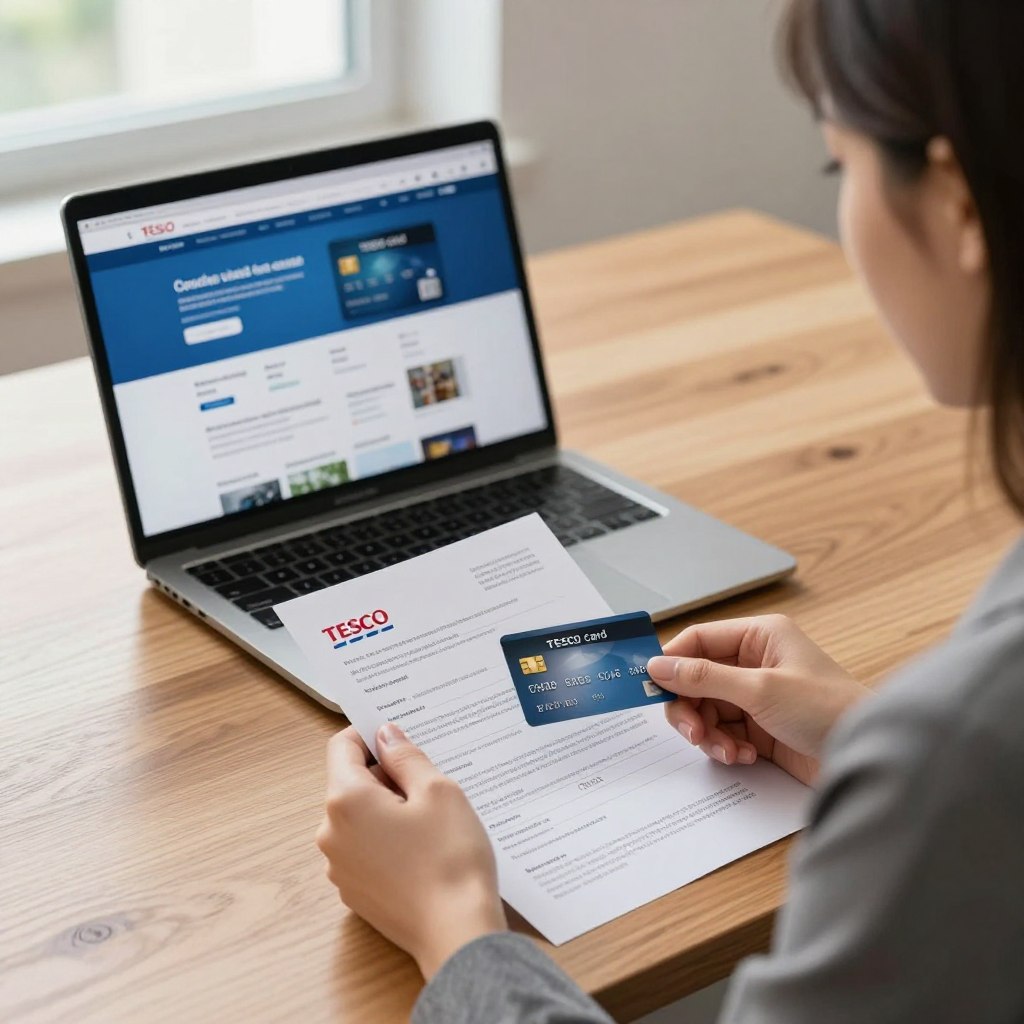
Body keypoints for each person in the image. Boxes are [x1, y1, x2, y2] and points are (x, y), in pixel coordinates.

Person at [314, 0, 1024, 1020]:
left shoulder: (956, 757)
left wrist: (452, 923)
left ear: (955, 205)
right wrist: (871, 736)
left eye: (840, 166)